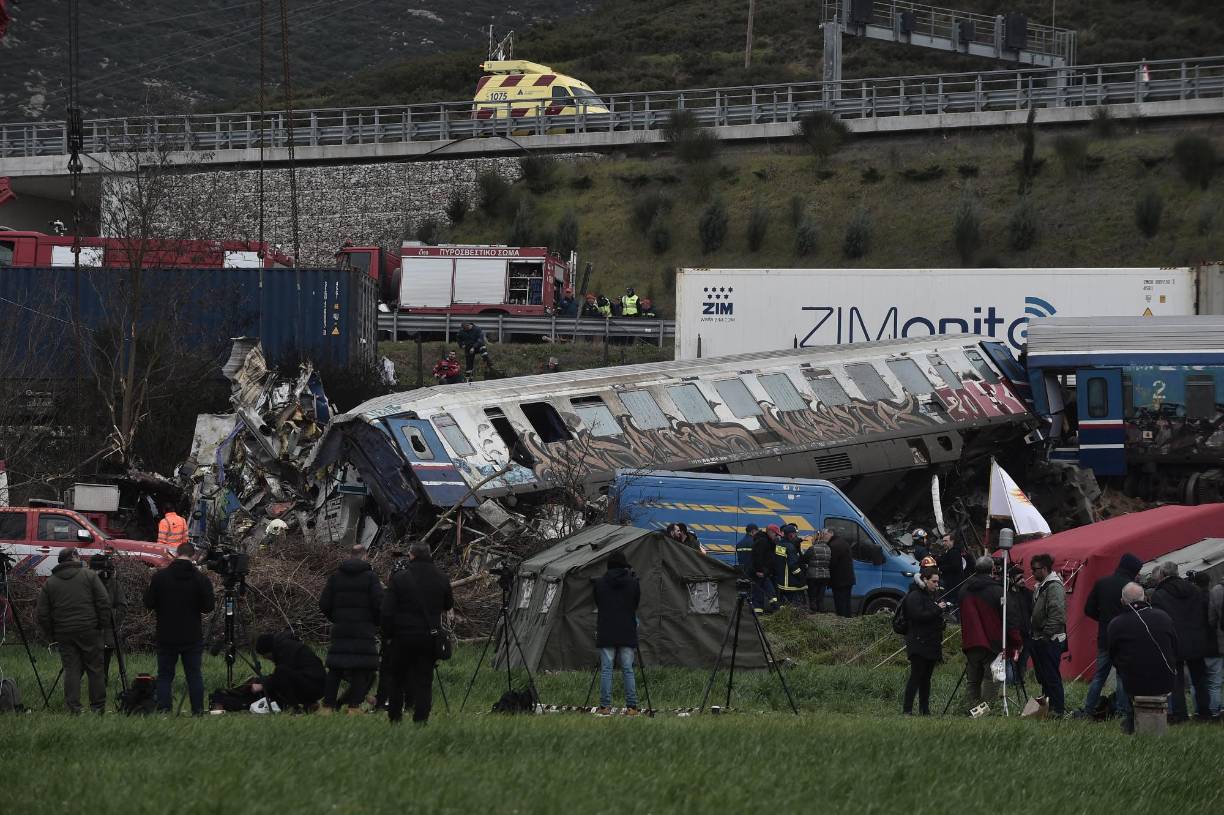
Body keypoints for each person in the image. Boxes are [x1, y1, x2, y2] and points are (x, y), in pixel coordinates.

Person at [381, 543, 453, 724]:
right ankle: (421, 719)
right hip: (429, 636)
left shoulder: (399, 578)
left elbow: (387, 611)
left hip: (402, 636)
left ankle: (395, 717)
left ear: (411, 556)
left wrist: (388, 635)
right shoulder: (442, 577)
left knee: (397, 678)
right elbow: (448, 604)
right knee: (424, 680)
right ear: (429, 555)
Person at [143, 541, 215, 714]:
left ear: (176, 554)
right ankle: (197, 710)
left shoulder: (160, 577)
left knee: (165, 676)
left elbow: (148, 602)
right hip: (192, 634)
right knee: (194, 675)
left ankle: (164, 710)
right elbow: (208, 607)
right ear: (193, 556)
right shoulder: (200, 579)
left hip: (166, 633)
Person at [36, 548, 111, 714]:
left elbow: (42, 613)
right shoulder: (89, 576)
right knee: (95, 669)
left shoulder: (50, 583)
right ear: (73, 557)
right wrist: (101, 625)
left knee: (72, 670)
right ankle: (97, 708)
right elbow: (103, 602)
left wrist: (52, 633)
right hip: (90, 629)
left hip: (64, 632)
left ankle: (74, 708)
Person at [1074, 553, 1142, 720]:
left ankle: (1088, 709)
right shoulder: (1132, 587)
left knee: (1099, 676)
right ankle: (1121, 712)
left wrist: (1104, 620)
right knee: (1121, 676)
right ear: (1132, 569)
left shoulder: (1102, 583)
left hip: (1105, 637)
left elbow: (1088, 609)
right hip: (1125, 640)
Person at [319, 544, 384, 713]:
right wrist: (374, 622)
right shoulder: (371, 578)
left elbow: (324, 603)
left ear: (350, 555)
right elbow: (379, 604)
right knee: (360, 668)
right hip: (363, 630)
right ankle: (354, 707)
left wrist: (337, 618)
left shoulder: (336, 577)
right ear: (365, 556)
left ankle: (327, 706)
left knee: (335, 667)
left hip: (341, 628)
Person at [1109, 582, 1178, 734]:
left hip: (1134, 682)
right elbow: (1175, 647)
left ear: (1122, 601)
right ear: (1146, 598)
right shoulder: (1164, 617)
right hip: (1165, 681)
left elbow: (1113, 655)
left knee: (1123, 673)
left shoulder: (1116, 624)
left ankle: (1130, 720)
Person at [958, 556, 1021, 714]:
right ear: (992, 569)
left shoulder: (964, 590)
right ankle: (983, 715)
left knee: (973, 681)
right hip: (994, 644)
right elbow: (1010, 619)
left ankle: (970, 711)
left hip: (971, 641)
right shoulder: (997, 590)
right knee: (994, 679)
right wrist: (1016, 642)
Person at [1150, 562, 1211, 723]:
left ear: (1162, 574)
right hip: (1197, 640)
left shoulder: (1159, 594)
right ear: (1177, 572)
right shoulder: (1194, 590)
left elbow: (1159, 621)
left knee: (1177, 682)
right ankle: (1204, 713)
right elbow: (1204, 613)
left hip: (1174, 642)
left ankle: (1181, 715)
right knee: (1200, 679)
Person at [593, 550, 641, 715]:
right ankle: (632, 707)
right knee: (627, 668)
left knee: (607, 669)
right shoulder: (634, 583)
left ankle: (605, 706)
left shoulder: (599, 583)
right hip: (627, 629)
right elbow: (635, 604)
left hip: (606, 629)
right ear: (624, 566)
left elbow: (598, 602)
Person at [902, 561, 946, 715]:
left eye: (937, 582)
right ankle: (907, 710)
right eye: (933, 581)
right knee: (916, 676)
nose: (936, 584)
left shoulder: (931, 595)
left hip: (931, 642)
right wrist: (937, 609)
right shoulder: (915, 595)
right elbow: (918, 616)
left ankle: (924, 709)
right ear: (925, 580)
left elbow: (931, 616)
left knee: (926, 679)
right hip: (918, 642)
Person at [1029, 553, 1067, 717]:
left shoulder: (1054, 586)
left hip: (1050, 638)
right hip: (1040, 637)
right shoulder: (1042, 585)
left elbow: (1057, 614)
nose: (1032, 573)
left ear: (1044, 569)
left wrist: (1046, 635)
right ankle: (1048, 706)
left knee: (1051, 676)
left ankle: (1057, 709)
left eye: (1035, 569)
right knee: (1044, 676)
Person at [253, 631, 326, 711]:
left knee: (281, 673)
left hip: (315, 685)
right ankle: (309, 704)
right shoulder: (285, 646)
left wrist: (262, 686)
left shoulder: (285, 650)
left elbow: (281, 676)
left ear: (268, 650)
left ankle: (295, 707)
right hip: (314, 683)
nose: (266, 659)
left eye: (265, 656)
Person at [88, 552, 126, 681]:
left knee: (105, 662)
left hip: (107, 632)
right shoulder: (86, 583)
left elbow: (122, 607)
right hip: (88, 630)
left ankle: (102, 681)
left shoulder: (113, 584)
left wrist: (111, 621)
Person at [1191, 571, 1220, 718]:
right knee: (1214, 682)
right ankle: (1214, 710)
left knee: (1197, 681)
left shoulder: (1191, 600)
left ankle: (1198, 709)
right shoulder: (1213, 597)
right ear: (1209, 583)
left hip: (1196, 646)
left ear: (1194, 583)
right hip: (1214, 645)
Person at [774, 524, 806, 607]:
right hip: (791, 582)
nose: (796, 536)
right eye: (795, 534)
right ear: (791, 534)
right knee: (794, 606)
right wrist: (801, 576)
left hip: (782, 581)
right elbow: (793, 565)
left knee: (784, 605)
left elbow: (780, 561)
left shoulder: (779, 545)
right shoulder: (790, 547)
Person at [751, 525, 780, 614]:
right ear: (770, 532)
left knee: (770, 591)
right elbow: (757, 557)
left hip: (765, 572)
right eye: (776, 534)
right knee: (759, 592)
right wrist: (759, 570)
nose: (777, 536)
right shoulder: (762, 541)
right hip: (760, 572)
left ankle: (775, 608)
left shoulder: (767, 541)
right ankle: (759, 611)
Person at [827, 529, 856, 618]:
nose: (824, 536)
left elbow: (832, 563)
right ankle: (848, 621)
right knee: (847, 602)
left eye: (825, 534)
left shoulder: (833, 545)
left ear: (831, 534)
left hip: (839, 580)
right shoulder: (843, 542)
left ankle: (842, 621)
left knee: (840, 604)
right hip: (848, 579)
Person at [1206, 574, 1224, 718]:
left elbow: (1211, 620)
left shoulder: (1216, 590)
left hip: (1220, 641)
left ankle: (1215, 711)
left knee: (1216, 682)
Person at [937, 533, 970, 606]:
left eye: (946, 541)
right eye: (943, 541)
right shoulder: (948, 552)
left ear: (952, 541)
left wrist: (940, 568)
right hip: (950, 584)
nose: (944, 543)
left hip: (953, 585)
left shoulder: (954, 552)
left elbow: (955, 567)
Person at [804, 528, 832, 613]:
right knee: (821, 595)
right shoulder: (828, 549)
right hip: (825, 576)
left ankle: (813, 609)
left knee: (812, 595)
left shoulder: (813, 548)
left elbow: (804, 559)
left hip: (813, 575)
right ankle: (821, 609)